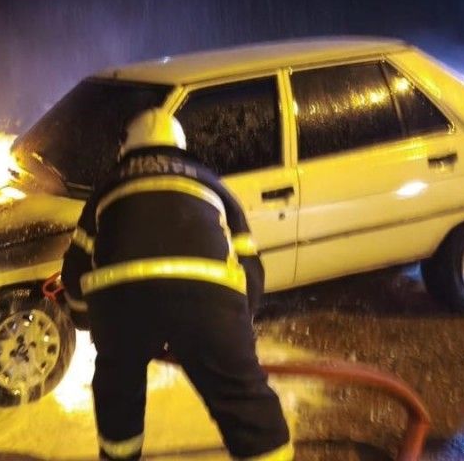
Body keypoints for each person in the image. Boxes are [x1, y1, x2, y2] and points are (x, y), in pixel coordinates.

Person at [60, 108, 292, 461]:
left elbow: (76, 268)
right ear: (179, 145)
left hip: (123, 306)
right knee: (245, 400)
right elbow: (249, 261)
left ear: (127, 148)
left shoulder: (108, 186)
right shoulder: (212, 182)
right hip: (209, 302)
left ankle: (119, 455)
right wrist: (236, 327)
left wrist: (84, 318)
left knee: (117, 391)